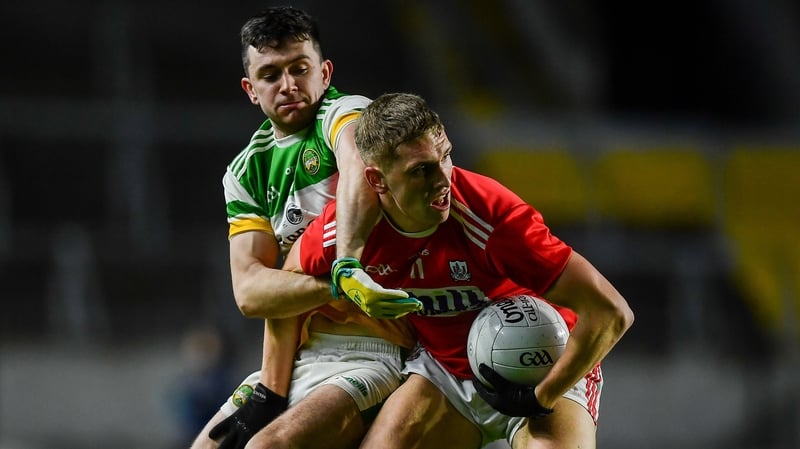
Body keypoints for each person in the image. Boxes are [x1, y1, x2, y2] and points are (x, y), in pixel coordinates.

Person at [261, 92, 634, 449]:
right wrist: (269, 390)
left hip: (544, 365)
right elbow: (277, 291)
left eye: (445, 157)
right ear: (376, 180)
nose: (443, 180)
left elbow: (612, 312)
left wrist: (541, 395)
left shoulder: (492, 217)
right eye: (421, 170)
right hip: (445, 372)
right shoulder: (344, 232)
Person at [190, 7, 420, 449]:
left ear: (325, 72)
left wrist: (344, 262)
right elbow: (251, 292)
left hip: (376, 351)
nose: (289, 85)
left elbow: (358, 170)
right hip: (299, 358)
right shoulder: (246, 171)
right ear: (251, 90)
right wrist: (339, 284)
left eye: (300, 68)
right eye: (271, 74)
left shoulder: (347, 113)